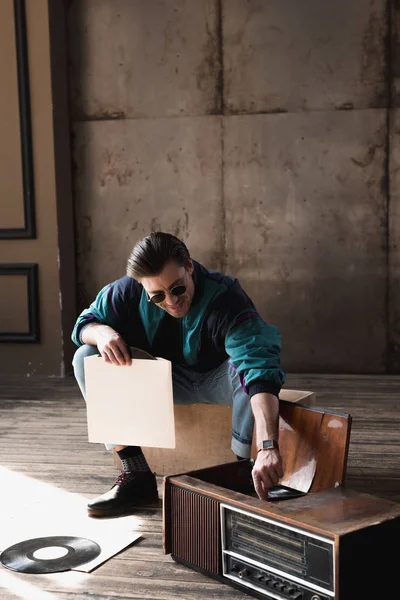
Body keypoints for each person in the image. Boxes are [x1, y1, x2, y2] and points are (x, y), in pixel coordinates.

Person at [72, 232, 285, 517]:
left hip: (219, 381)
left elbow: (258, 367)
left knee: (246, 371)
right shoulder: (125, 292)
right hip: (163, 381)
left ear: (189, 266)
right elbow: (83, 325)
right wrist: (101, 333)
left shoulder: (226, 297)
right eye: (157, 296)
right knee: (85, 357)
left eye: (178, 288)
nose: (171, 302)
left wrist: (269, 446)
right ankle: (136, 474)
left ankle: (241, 473)